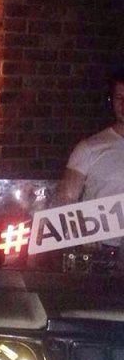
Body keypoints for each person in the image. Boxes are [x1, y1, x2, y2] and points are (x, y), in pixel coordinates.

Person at [57, 69, 124, 252]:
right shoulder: (89, 148)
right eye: (119, 97)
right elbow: (65, 200)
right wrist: (82, 234)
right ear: (111, 101)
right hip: (103, 249)